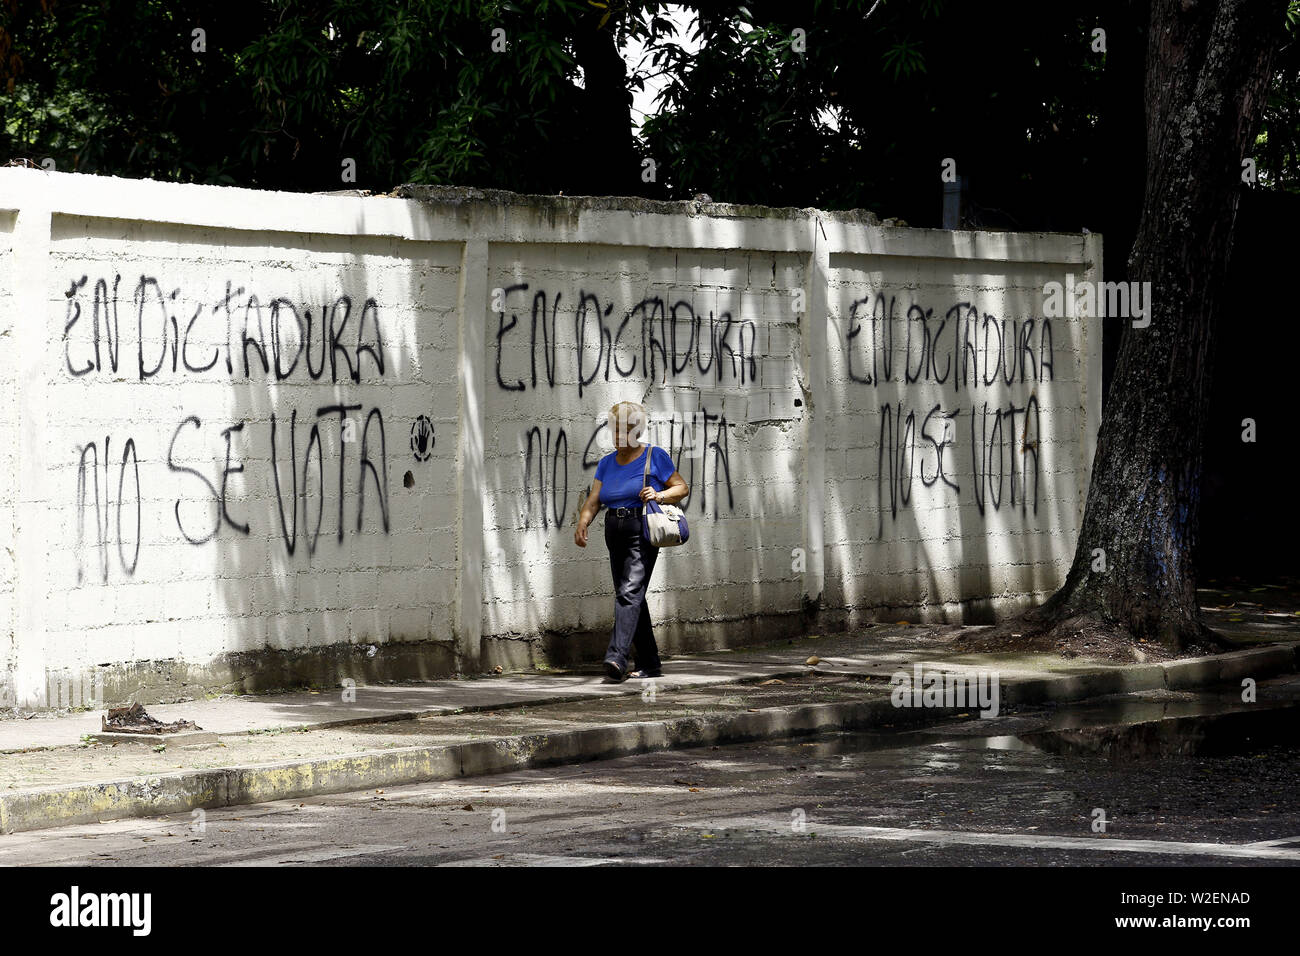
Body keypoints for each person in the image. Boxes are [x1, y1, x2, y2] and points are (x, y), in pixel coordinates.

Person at [574, 401, 689, 683]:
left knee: (629, 592)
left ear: (636, 431)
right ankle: (650, 663)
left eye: (622, 431)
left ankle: (616, 657)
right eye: (613, 430)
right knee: (631, 596)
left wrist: (659, 495)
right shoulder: (606, 463)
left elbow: (681, 488)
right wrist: (583, 522)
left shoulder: (655, 456)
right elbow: (594, 500)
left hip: (642, 528)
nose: (616, 436)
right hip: (614, 528)